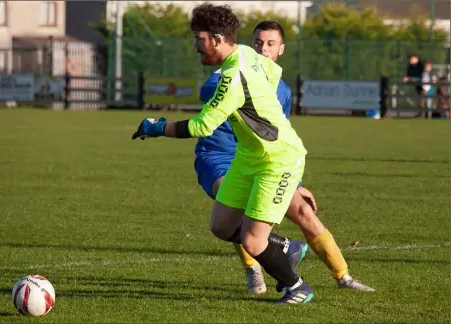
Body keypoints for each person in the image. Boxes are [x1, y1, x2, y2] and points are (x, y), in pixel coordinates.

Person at [133, 4, 314, 304]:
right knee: (222, 226)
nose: (195, 46)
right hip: (248, 156)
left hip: (278, 160)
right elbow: (273, 70)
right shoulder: (245, 51)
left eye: (199, 39)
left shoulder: (231, 78)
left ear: (217, 39)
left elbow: (202, 125)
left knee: (253, 241)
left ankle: (296, 287)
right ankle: (285, 248)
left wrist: (157, 127)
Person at [195, 20, 374, 294]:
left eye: (270, 44)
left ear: (281, 50)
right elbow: (210, 90)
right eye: (257, 43)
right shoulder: (228, 74)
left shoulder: (282, 91)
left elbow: (281, 135)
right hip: (219, 155)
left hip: (264, 158)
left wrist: (297, 182)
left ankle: (343, 276)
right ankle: (255, 269)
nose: (263, 49)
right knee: (235, 207)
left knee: (303, 210)